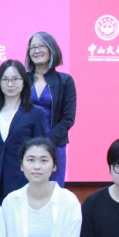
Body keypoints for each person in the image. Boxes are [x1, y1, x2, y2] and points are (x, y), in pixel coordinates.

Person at [0, 59, 45, 203]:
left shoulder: (36, 113)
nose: (10, 84)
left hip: (23, 183)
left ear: (24, 82)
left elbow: (41, 151)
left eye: (15, 79)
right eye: (5, 79)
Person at [26, 32, 76, 186]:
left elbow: (68, 118)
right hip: (26, 144)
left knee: (54, 189)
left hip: (55, 144)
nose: (37, 50)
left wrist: (48, 142)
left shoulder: (65, 81)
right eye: (33, 47)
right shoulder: (22, 79)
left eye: (41, 46)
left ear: (51, 49)